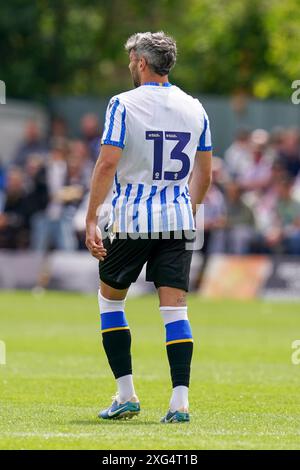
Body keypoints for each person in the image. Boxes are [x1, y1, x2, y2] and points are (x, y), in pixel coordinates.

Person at [85, 31, 212, 423]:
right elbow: (204, 173)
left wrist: (91, 216)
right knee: (175, 311)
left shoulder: (122, 104)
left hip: (130, 221)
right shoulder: (195, 107)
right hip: (177, 221)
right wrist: (185, 209)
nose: (129, 66)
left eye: (130, 61)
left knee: (111, 301)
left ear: (141, 62)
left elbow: (107, 164)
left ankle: (126, 395)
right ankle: (180, 402)